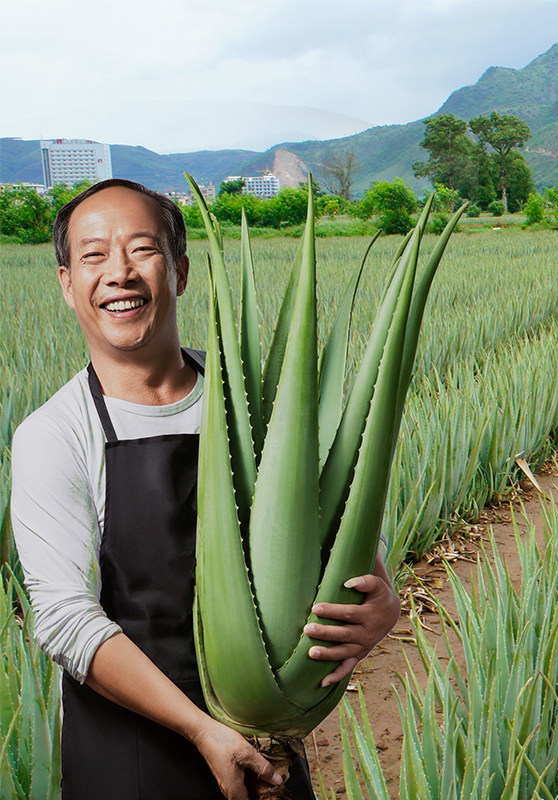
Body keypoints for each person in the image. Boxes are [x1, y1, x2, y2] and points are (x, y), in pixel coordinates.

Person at [10, 178, 401, 800]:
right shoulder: (55, 434)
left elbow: (339, 520)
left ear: (181, 270)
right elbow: (64, 620)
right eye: (93, 255)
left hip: (270, 743)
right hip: (131, 757)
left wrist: (381, 604)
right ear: (67, 284)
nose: (119, 273)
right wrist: (202, 730)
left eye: (143, 249)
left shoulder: (254, 404)